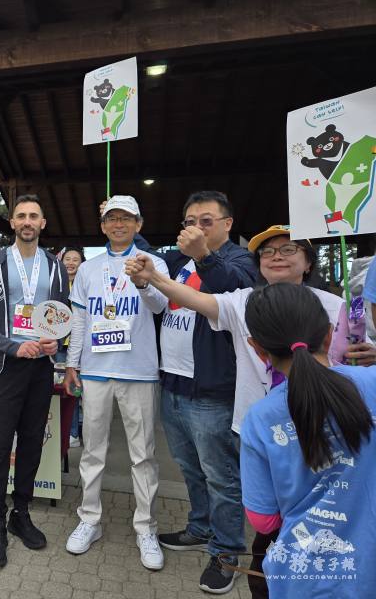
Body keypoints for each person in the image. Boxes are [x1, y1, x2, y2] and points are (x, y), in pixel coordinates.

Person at [125, 224, 375, 596]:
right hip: (258, 430)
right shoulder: (243, 301)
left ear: (308, 262)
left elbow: (360, 350)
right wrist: (154, 278)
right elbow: (192, 298)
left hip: (327, 428)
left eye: (288, 249)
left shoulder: (337, 306)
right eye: (267, 252)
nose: (276, 256)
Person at [240, 283, 376, 599]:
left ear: (258, 349)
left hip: (305, 576)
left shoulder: (261, 418)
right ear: (329, 334)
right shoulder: (371, 384)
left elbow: (264, 520)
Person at [154, 191, 257, 594]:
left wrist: (204, 256)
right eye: (190, 220)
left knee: (222, 476)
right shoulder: (178, 260)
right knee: (189, 466)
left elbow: (233, 290)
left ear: (228, 224)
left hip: (212, 388)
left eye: (206, 220)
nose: (196, 228)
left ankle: (228, 551)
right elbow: (151, 266)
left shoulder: (239, 259)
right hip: (173, 381)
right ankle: (199, 527)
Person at [63, 196, 168, 570]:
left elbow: (162, 307)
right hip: (94, 371)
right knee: (92, 451)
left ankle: (146, 527)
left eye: (126, 218)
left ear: (139, 223)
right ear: (103, 225)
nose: (119, 224)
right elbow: (79, 320)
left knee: (143, 454)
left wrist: (144, 282)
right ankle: (89, 520)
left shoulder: (155, 262)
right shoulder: (89, 269)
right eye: (112, 219)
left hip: (138, 369)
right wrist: (71, 363)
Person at [0, 194, 69, 568]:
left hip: (41, 368)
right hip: (5, 367)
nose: (28, 221)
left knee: (32, 443)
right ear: (11, 223)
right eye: (21, 216)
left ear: (43, 223)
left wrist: (54, 341)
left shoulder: (55, 267)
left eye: (34, 216)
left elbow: (63, 316)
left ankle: (21, 513)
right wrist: (12, 347)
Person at [60, 247, 85, 448]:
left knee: (77, 389)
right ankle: (64, 428)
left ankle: (74, 432)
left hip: (81, 347)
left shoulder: (86, 283)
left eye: (75, 259)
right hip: (59, 346)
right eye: (67, 258)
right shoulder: (56, 284)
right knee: (61, 388)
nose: (70, 262)